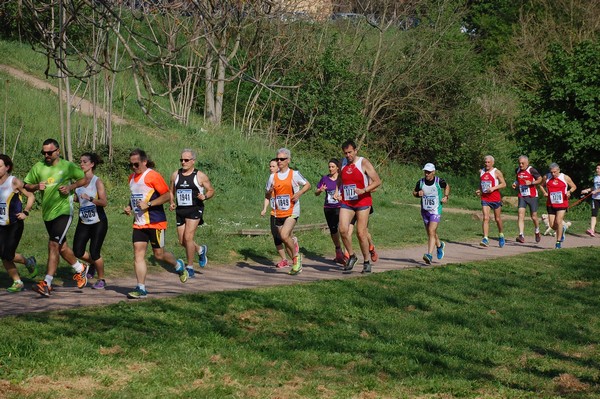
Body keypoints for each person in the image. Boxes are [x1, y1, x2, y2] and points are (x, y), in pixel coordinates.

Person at [24, 139, 88, 297]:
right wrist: (36, 186)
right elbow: (26, 185)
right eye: (43, 152)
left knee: (53, 244)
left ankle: (47, 283)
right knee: (62, 247)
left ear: (58, 151)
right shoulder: (39, 167)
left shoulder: (67, 166)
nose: (46, 155)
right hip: (47, 213)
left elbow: (84, 179)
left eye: (49, 152)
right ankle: (81, 269)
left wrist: (70, 187)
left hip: (64, 211)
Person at [124, 149, 187, 299]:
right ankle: (141, 288)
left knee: (159, 255)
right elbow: (136, 196)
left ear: (144, 162)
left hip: (155, 222)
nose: (133, 167)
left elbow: (167, 195)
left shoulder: (153, 176)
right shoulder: (131, 178)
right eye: (131, 165)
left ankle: (178, 265)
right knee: (138, 254)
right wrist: (129, 207)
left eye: (136, 164)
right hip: (139, 223)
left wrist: (149, 204)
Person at [338, 139, 381, 273]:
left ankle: (366, 261)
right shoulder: (343, 163)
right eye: (345, 153)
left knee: (361, 233)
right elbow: (340, 179)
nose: (348, 155)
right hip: (347, 202)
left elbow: (377, 181)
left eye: (350, 152)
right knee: (343, 230)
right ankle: (351, 256)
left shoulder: (363, 162)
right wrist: (336, 191)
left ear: (356, 151)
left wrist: (364, 190)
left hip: (363, 202)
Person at [169, 149, 214, 277]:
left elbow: (211, 190)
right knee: (182, 241)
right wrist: (171, 202)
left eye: (186, 160)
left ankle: (190, 267)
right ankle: (200, 250)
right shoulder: (175, 175)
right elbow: (171, 191)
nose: (183, 162)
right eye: (181, 160)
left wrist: (205, 196)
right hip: (181, 210)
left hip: (195, 208)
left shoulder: (200, 175)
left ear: (193, 161)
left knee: (188, 238)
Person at [265, 148, 311, 275]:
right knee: (285, 240)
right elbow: (267, 193)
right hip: (278, 212)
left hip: (292, 211)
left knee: (285, 235)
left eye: (282, 159)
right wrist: (270, 191)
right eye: (278, 159)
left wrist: (299, 193)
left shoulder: (294, 174)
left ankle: (297, 258)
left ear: (288, 160)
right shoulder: (272, 177)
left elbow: (307, 185)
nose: (279, 161)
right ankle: (296, 263)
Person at [0, 154, 35, 292]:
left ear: (7, 167)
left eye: (0, 166)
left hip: (15, 224)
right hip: (1, 225)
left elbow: (31, 196)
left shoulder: (13, 181)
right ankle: (18, 282)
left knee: (8, 254)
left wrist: (25, 212)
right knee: (3, 254)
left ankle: (29, 262)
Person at [73, 153, 108, 289]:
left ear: (92, 164)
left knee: (95, 252)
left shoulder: (97, 181)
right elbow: (78, 199)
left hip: (98, 222)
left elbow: (104, 202)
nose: (81, 164)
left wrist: (90, 198)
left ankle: (102, 279)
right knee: (77, 251)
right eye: (80, 161)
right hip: (83, 221)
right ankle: (92, 264)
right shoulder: (79, 182)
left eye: (85, 162)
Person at [261, 158, 297, 268]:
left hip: (285, 212)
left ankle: (295, 255)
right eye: (270, 166)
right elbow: (267, 196)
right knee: (276, 236)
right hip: (274, 212)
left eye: (273, 166)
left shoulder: (283, 179)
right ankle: (284, 259)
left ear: (278, 167)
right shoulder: (271, 179)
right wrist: (264, 208)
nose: (271, 168)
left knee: (284, 237)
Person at [412, 163, 450, 265]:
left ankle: (429, 255)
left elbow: (447, 186)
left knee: (431, 230)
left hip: (436, 210)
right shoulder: (420, 182)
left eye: (429, 172)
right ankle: (439, 245)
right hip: (425, 211)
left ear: (433, 172)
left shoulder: (439, 181)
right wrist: (418, 194)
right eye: (425, 172)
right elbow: (414, 192)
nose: (427, 174)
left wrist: (446, 196)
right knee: (430, 232)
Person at [315, 158, 348, 264]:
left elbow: (348, 193)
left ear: (338, 167)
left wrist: (341, 197)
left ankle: (347, 252)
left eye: (333, 166)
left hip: (340, 207)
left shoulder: (342, 179)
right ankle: (338, 251)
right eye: (329, 166)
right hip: (328, 208)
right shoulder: (325, 178)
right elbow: (316, 192)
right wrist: (319, 190)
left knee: (343, 229)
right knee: (333, 230)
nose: (330, 169)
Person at [542, 163, 576, 249]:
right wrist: (544, 192)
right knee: (552, 225)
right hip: (550, 203)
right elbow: (541, 185)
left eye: (555, 172)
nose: (553, 174)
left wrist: (569, 192)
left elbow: (574, 186)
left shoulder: (565, 177)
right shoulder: (546, 177)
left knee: (558, 221)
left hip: (562, 203)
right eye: (551, 172)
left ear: (559, 170)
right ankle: (563, 228)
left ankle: (558, 242)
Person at [476, 155, 506, 248]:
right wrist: (479, 190)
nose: (487, 164)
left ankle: (501, 235)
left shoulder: (496, 172)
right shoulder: (482, 172)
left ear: (492, 163)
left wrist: (493, 188)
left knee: (497, 219)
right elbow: (481, 183)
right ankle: (485, 238)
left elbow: (504, 184)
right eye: (485, 162)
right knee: (486, 218)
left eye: (489, 162)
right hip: (485, 198)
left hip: (495, 198)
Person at [511, 155, 542, 243]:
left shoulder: (532, 170)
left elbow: (540, 179)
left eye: (522, 163)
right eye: (519, 163)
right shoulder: (517, 170)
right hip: (522, 196)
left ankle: (537, 231)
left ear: (527, 163)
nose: (520, 165)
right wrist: (515, 183)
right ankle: (521, 235)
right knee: (520, 214)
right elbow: (518, 179)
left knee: (534, 216)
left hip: (532, 196)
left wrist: (531, 182)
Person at [581, 163, 600, 237]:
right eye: (596, 168)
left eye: (598, 168)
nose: (597, 170)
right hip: (595, 198)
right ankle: (592, 230)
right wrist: (587, 190)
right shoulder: (595, 177)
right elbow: (594, 187)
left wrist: (596, 191)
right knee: (594, 214)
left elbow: (597, 189)